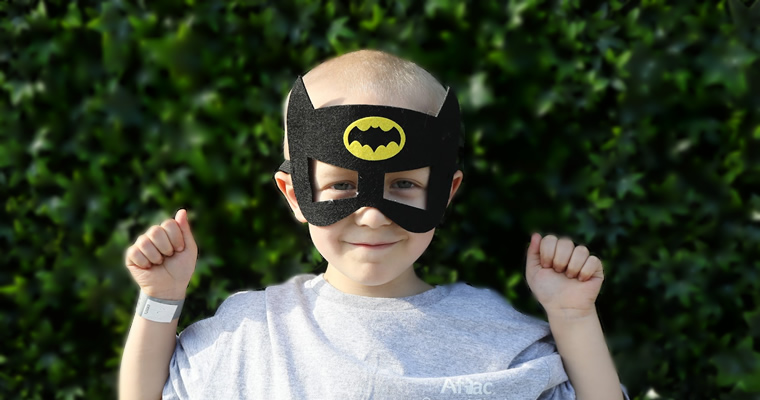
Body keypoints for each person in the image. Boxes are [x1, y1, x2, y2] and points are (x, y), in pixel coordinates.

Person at [120, 49, 627, 399]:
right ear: (295, 195)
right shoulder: (256, 331)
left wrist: (573, 318)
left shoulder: (493, 334)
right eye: (341, 186)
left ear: (445, 192)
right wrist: (161, 300)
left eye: (404, 185)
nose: (373, 212)